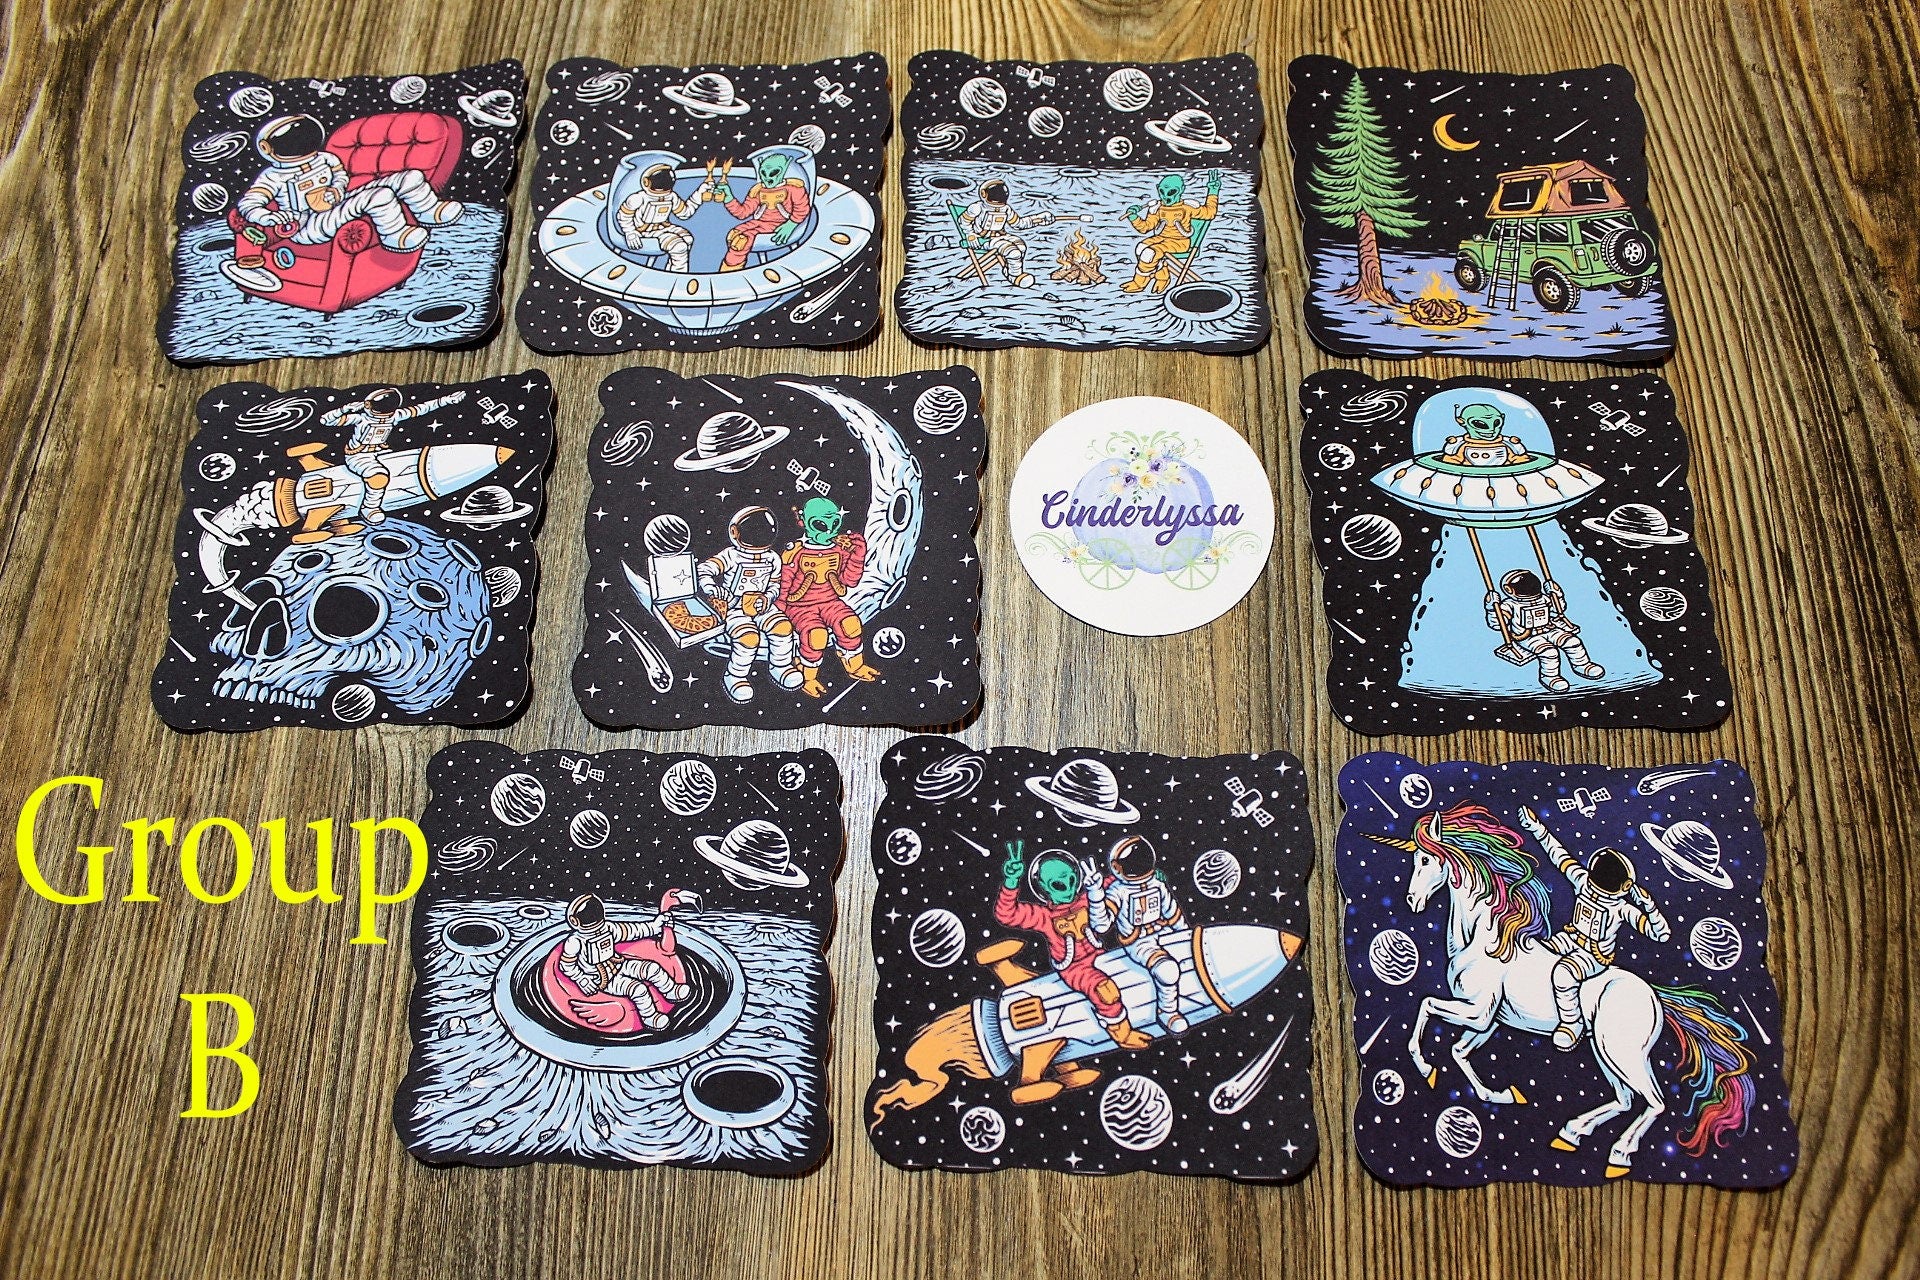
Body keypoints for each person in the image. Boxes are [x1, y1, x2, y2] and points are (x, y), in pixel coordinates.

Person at [995, 841, 1150, 1103]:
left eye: (1071, 880)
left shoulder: (1088, 897)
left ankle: (1068, 1068)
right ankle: (1121, 1034)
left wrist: (1145, 875)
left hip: (1103, 958)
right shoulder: (1044, 916)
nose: (1068, 888)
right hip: (1075, 969)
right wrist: (1011, 882)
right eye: (1058, 885)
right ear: (1044, 889)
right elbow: (1007, 915)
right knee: (1104, 990)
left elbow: (1119, 880)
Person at [1518, 808, 1670, 1051]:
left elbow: (1660, 934)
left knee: (1564, 974)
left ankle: (1572, 1023)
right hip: (1569, 937)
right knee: (1533, 951)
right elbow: (1557, 854)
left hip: (1594, 955)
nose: (1597, 890)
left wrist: (1649, 907)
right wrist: (1536, 827)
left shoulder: (1621, 908)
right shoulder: (1583, 882)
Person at [236, 114, 462, 254]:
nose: (300, 147)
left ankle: (430, 211)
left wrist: (336, 189)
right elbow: (248, 205)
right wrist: (271, 217)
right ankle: (395, 236)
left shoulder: (325, 159)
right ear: (268, 148)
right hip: (307, 224)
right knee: (380, 195)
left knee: (410, 177)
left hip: (336, 202)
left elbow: (340, 176)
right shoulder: (272, 176)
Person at [313, 387, 466, 534]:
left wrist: (446, 400)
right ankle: (370, 508)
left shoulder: (394, 416)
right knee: (378, 478)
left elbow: (422, 408)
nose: (383, 415)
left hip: (382, 453)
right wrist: (345, 409)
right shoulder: (360, 419)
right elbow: (326, 420)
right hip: (358, 456)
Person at [777, 496, 880, 697]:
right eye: (821, 525)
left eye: (834, 524)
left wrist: (857, 555)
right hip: (799, 606)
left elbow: (849, 581)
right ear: (804, 523)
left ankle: (855, 665)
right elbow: (784, 584)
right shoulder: (796, 552)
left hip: (830, 601)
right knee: (816, 636)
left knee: (850, 625)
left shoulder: (839, 549)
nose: (829, 531)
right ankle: (808, 677)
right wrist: (779, 609)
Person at [698, 505, 802, 703]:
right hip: (734, 606)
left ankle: (781, 666)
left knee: (782, 627)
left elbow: (775, 584)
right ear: (735, 532)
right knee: (748, 637)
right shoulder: (731, 555)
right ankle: (735, 676)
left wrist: (767, 598)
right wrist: (712, 589)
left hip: (761, 604)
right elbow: (704, 570)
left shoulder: (772, 558)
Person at [1086, 835, 1189, 1033]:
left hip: (1164, 933)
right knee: (1167, 970)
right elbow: (1101, 925)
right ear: (1116, 867)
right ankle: (1168, 1012)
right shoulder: (1118, 892)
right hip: (1140, 942)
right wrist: (1096, 895)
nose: (1138, 866)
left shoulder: (1157, 885)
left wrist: (1185, 936)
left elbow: (1173, 914)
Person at [557, 891, 698, 1031]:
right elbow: (566, 965)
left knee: (652, 968)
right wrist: (582, 979)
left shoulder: (608, 928)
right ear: (575, 921)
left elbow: (632, 931)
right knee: (638, 989)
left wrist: (655, 926)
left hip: (620, 964)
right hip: (603, 980)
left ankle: (671, 991)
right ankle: (650, 1017)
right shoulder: (575, 942)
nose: (596, 930)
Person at [1485, 568, 1606, 694]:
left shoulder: (1543, 598)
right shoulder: (1509, 605)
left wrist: (1557, 594)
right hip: (1528, 637)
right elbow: (1497, 624)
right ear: (1509, 590)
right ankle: (1550, 677)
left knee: (1573, 642)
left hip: (1550, 629)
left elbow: (1558, 610)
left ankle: (1582, 665)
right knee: (1549, 652)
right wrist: (1492, 609)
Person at [711, 149, 811, 272]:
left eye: (773, 173)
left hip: (779, 224)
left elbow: (802, 209)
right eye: (763, 173)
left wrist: (791, 224)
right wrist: (729, 198)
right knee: (733, 235)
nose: (767, 178)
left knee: (742, 242)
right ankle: (729, 269)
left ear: (784, 170)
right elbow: (743, 213)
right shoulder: (758, 191)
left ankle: (729, 272)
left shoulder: (794, 189)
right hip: (758, 223)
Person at [1121, 171, 1219, 293]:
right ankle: (1162, 276)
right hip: (1161, 238)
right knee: (1140, 248)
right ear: (1158, 189)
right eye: (1162, 192)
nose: (1166, 196)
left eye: (1171, 192)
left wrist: (1213, 191)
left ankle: (1139, 283)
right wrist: (1134, 217)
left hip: (1180, 242)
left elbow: (1209, 213)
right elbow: (1145, 227)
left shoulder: (1187, 208)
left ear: (1181, 190)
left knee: (1149, 253)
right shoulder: (1158, 208)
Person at [958, 178, 1051, 287]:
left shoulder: (1006, 209)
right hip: (983, 240)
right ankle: (1015, 277)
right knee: (1013, 252)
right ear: (984, 194)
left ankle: (1010, 271)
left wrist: (1038, 219)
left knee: (1021, 247)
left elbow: (1018, 224)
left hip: (1001, 236)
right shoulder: (977, 208)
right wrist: (970, 235)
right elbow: (963, 221)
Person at [614, 162, 704, 272]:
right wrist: (630, 232)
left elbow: (684, 213)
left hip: (664, 228)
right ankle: (677, 275)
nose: (662, 189)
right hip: (643, 232)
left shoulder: (671, 196)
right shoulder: (638, 198)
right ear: (646, 182)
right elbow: (623, 215)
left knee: (688, 239)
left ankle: (673, 271)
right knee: (679, 247)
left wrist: (699, 194)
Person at [1439, 402, 1534, 467]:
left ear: (1502, 419)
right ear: (1462, 422)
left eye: (1496, 423)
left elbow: (1519, 459)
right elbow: (1453, 460)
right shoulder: (1460, 445)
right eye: (1480, 424)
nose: (1491, 429)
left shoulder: (1508, 444)